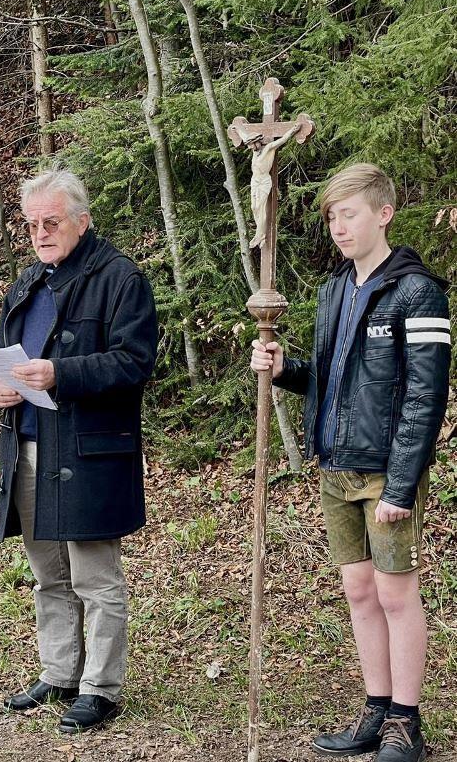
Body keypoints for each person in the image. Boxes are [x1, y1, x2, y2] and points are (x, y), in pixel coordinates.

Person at [250, 163, 450, 762]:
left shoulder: (417, 291)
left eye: (350, 214)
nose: (339, 227)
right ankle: (376, 709)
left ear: (383, 214)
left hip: (385, 471)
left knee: (395, 594)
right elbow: (331, 381)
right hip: (335, 465)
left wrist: (402, 484)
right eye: (333, 216)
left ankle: (406, 725)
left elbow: (425, 397)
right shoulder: (334, 289)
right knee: (360, 591)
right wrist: (284, 370)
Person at [0, 168, 157, 732]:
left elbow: (135, 363)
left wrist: (61, 372)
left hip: (87, 452)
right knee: (48, 575)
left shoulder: (120, 278)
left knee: (95, 579)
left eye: (51, 222)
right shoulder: (28, 282)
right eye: (32, 224)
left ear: (82, 221)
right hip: (28, 444)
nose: (40, 233)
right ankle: (60, 672)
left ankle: (100, 688)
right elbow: (5, 359)